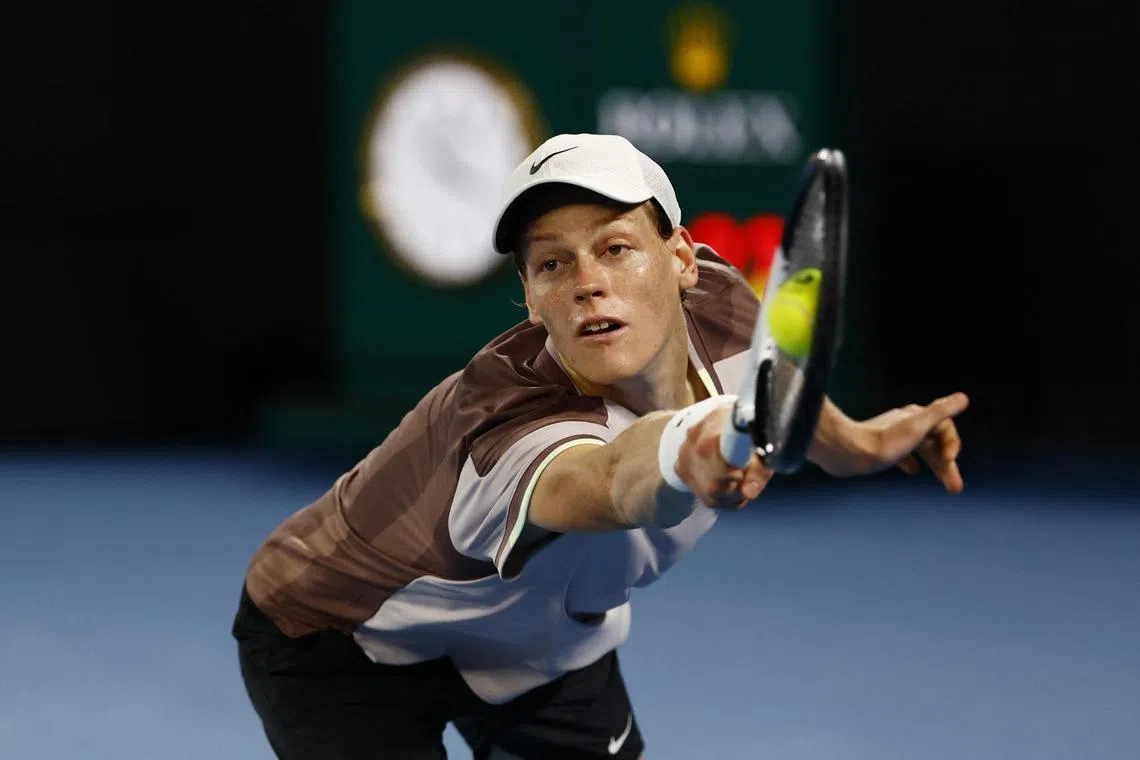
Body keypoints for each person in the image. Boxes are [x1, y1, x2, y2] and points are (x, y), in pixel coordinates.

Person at [232, 133, 969, 760]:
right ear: (528, 295)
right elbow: (614, 477)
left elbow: (792, 410)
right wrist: (693, 447)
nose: (589, 283)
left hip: (534, 643)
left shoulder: (721, 306)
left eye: (617, 248)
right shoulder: (508, 423)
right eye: (552, 263)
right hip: (338, 638)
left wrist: (866, 441)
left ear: (682, 260)